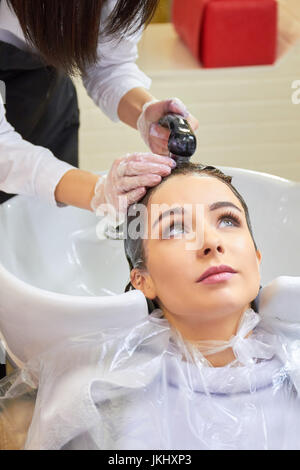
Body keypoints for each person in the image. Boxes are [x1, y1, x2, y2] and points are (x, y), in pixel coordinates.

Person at [1, 162, 300, 450]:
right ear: (142, 280)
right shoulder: (103, 398)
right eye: (175, 229)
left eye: (227, 220)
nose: (212, 242)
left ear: (257, 259)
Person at [0, 0, 198, 214]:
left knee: (42, 227)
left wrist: (144, 111)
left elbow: (108, 64)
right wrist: (96, 192)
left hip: (48, 109)